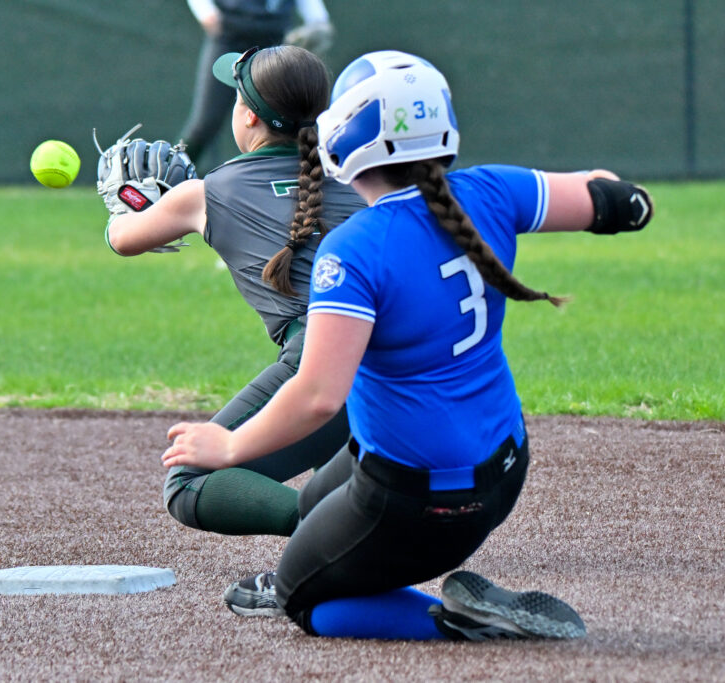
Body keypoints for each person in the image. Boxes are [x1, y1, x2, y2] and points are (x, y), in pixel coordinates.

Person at [161, 50, 654, 640]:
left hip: (425, 503)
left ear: (345, 137)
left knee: (301, 601)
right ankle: (341, 561)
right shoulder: (491, 191)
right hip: (503, 465)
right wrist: (628, 201)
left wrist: (231, 444)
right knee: (319, 498)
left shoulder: (355, 249)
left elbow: (318, 397)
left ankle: (458, 621)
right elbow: (612, 200)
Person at [104, 46, 366, 537]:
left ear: (247, 116)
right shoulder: (363, 176)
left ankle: (337, 532)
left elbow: (123, 239)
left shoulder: (207, 192)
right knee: (340, 447)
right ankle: (367, 512)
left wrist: (127, 200)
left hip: (324, 359)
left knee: (190, 481)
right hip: (408, 361)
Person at [179, 0, 334, 171]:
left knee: (280, 125)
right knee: (205, 123)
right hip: (230, 37)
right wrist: (205, 11)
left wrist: (318, 22)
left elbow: (317, 18)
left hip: (273, 45)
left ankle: (288, 177)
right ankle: (173, 172)